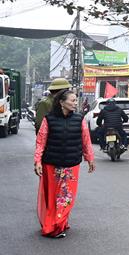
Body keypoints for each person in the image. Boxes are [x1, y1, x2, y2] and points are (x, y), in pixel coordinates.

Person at [33, 88, 94, 238]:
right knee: (55, 197)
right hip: (51, 164)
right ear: (61, 102)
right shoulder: (49, 119)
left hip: (71, 165)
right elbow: (41, 141)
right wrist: (37, 161)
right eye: (72, 100)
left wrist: (90, 158)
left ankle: (60, 223)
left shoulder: (80, 119)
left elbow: (86, 141)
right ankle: (54, 227)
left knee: (66, 197)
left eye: (76, 100)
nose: (75, 103)